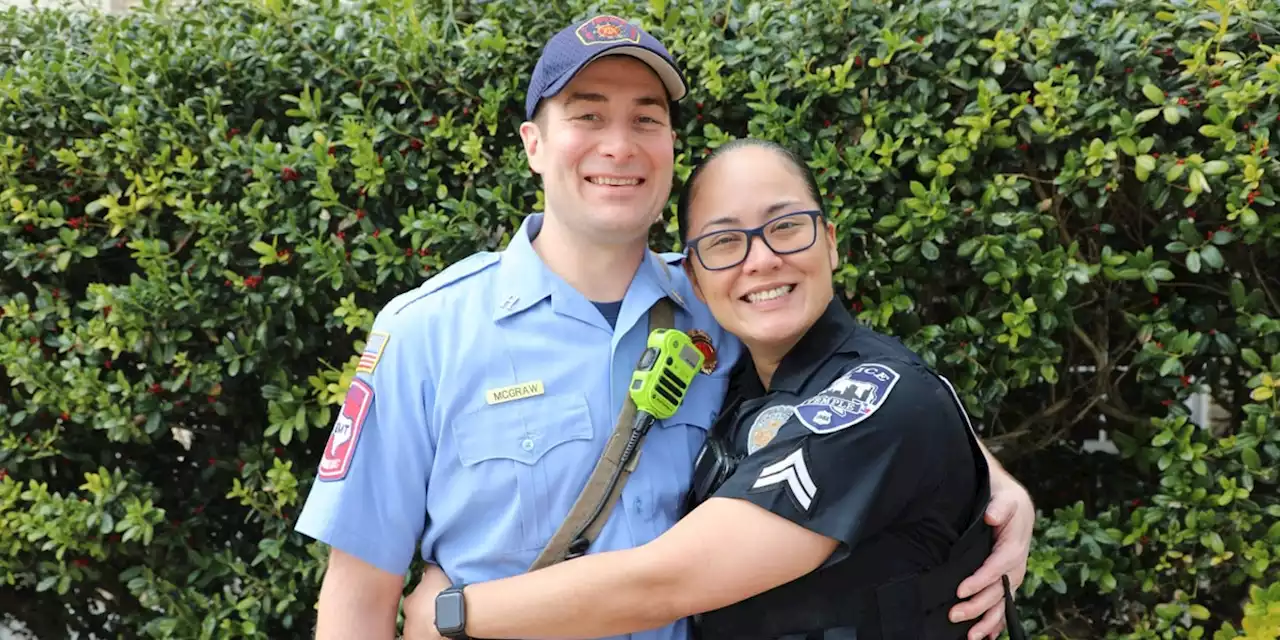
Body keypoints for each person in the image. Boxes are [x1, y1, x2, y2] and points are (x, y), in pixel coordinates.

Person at [294, 13, 1033, 640]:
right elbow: (356, 600)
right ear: (532, 144)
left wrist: (997, 489)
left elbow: (869, 398)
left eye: (646, 118)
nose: (619, 145)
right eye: (587, 115)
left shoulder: (727, 293)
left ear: (670, 148)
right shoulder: (427, 332)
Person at [399, 139, 1029, 640]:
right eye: (725, 242)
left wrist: (452, 614)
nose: (760, 261)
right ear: (695, 282)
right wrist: (996, 480)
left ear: (830, 243)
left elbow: (664, 584)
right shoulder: (734, 369)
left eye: (786, 228)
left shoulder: (879, 398)